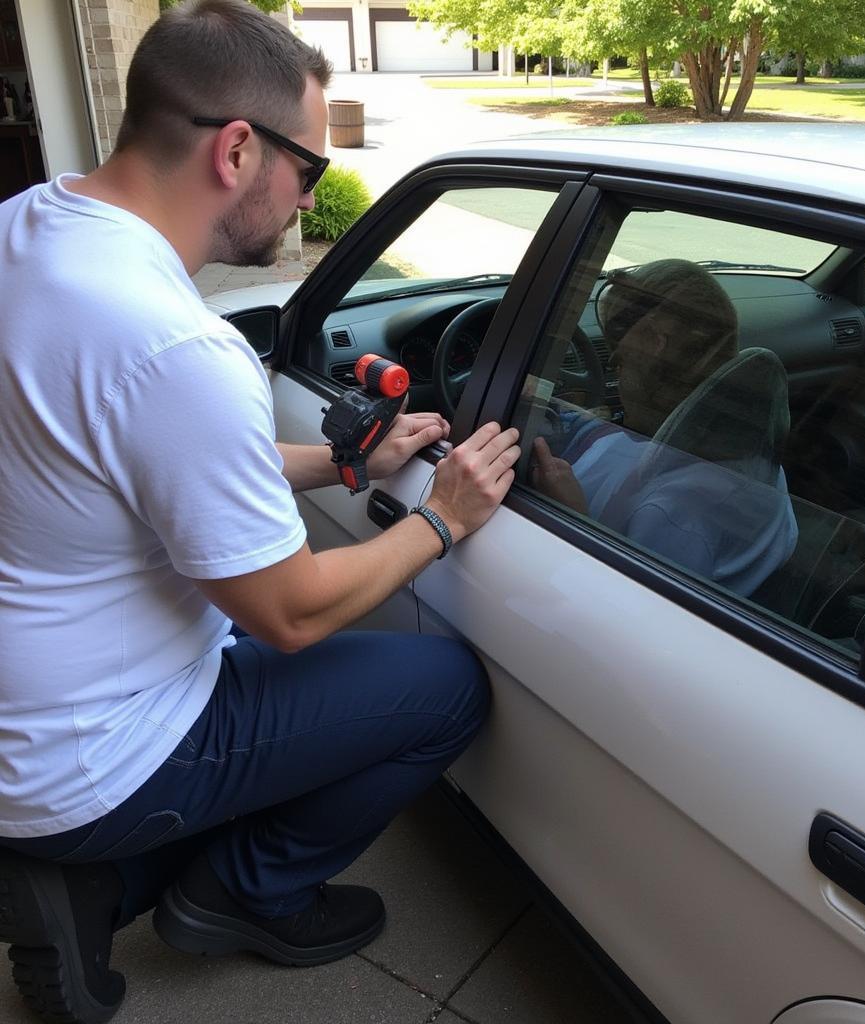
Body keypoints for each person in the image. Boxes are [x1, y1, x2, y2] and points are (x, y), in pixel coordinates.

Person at [0, 3, 520, 1023]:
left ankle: (83, 872)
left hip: (29, 695)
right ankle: (223, 891)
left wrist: (342, 461)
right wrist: (443, 519)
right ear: (237, 150)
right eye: (311, 170)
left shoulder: (26, 230)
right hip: (85, 750)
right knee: (440, 686)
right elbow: (292, 611)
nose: (307, 196)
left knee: (250, 638)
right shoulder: (177, 347)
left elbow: (137, 459)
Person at [529, 258, 797, 597]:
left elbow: (624, 613)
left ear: (655, 341)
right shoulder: (751, 446)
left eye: (620, 359)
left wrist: (573, 518)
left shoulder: (672, 513)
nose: (614, 369)